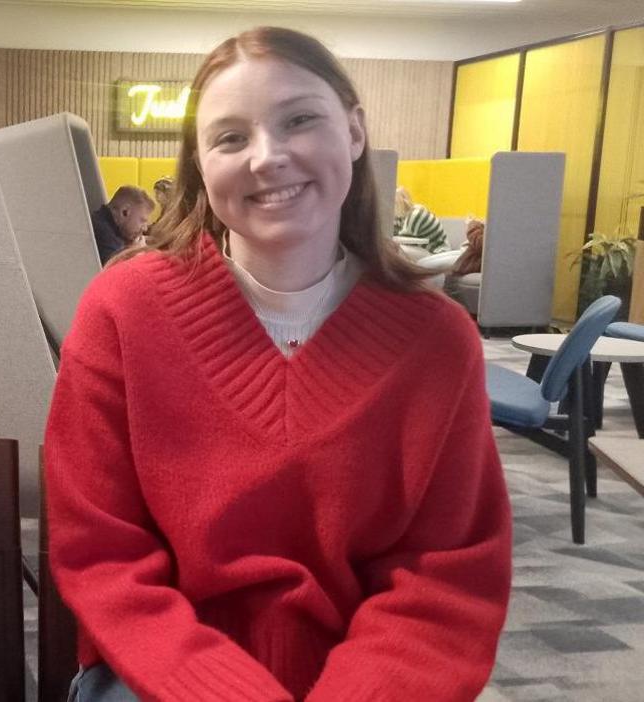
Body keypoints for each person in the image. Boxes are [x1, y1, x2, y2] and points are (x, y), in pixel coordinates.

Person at [45, 26, 511, 702]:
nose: (268, 157)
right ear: (200, 164)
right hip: (161, 674)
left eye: (299, 121)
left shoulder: (438, 343)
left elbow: (444, 579)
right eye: (231, 138)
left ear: (353, 132)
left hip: (367, 680)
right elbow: (102, 553)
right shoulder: (123, 310)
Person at [91, 185, 154, 264]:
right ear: (125, 212)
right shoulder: (102, 232)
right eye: (142, 221)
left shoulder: (104, 224)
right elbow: (117, 269)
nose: (145, 228)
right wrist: (135, 252)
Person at [394, 186, 448, 255]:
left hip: (438, 252)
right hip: (427, 251)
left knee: (399, 249)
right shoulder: (402, 216)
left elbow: (404, 240)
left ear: (403, 202)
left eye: (395, 203)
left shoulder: (416, 214)